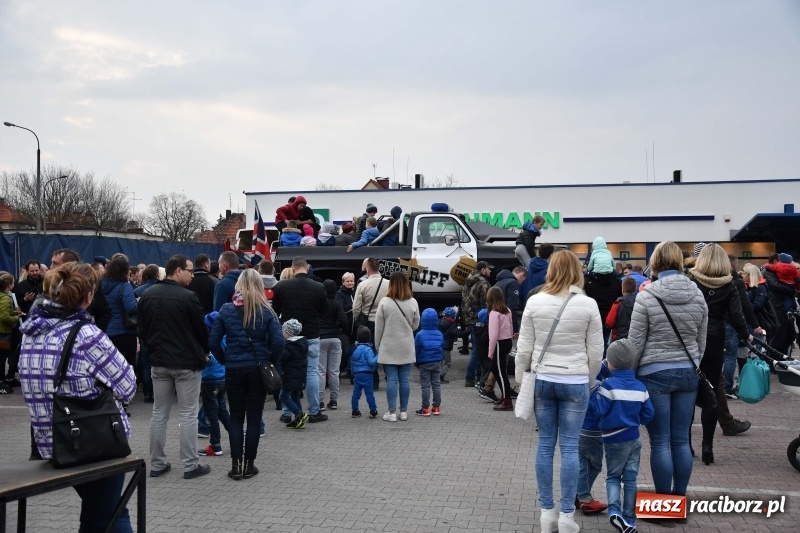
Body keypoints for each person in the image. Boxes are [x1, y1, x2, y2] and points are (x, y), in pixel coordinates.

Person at [19, 262, 136, 533]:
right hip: (93, 441)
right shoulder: (87, 336)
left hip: (51, 441)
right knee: (107, 515)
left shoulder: (30, 334)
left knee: (107, 510)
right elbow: (128, 386)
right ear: (88, 296)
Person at [515, 250, 603, 533]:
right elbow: (596, 352)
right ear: (577, 271)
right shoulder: (589, 305)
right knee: (569, 448)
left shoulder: (534, 301)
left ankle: (546, 514)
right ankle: (567, 516)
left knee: (544, 446)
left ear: (551, 270)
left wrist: (521, 382)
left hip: (543, 379)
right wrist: (588, 379)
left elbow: (524, 349)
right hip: (575, 380)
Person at [627, 241, 707, 505]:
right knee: (681, 440)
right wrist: (692, 361)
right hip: (688, 372)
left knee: (660, 442)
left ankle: (664, 507)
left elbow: (635, 343)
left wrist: (631, 374)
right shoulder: (698, 294)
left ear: (656, 261)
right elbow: (701, 340)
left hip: (654, 373)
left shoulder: (647, 296)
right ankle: (679, 499)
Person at [138, 254, 211, 480]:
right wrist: (204, 354)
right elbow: (202, 331)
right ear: (177, 270)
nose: (192, 275)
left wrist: (152, 350)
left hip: (159, 362)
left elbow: (141, 330)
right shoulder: (189, 297)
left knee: (159, 413)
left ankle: (157, 463)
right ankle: (190, 465)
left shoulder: (147, 295)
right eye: (189, 271)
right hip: (186, 363)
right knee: (188, 413)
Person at [209, 269, 285, 479]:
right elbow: (279, 341)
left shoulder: (226, 309)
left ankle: (235, 465)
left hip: (234, 368)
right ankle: (250, 465)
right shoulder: (266, 310)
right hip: (257, 368)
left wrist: (225, 358)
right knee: (253, 418)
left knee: (235, 417)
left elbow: (213, 341)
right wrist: (270, 358)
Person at [687, 243, 752, 465]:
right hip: (715, 339)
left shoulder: (691, 282)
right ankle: (708, 445)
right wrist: (747, 335)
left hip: (692, 339)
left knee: (687, 393)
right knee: (711, 394)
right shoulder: (730, 284)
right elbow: (736, 315)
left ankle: (686, 444)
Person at [588, 339, 654, 533]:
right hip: (633, 437)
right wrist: (636, 418)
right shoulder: (641, 387)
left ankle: (614, 511)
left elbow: (598, 410)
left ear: (611, 363)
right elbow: (649, 414)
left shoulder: (608, 387)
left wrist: (589, 398)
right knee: (631, 479)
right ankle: (629, 518)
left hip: (613, 438)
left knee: (613, 476)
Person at [272, 257, 329, 422]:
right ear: (307, 267)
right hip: (311, 335)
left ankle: (287, 412)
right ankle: (314, 411)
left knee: (288, 372)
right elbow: (323, 311)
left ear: (292, 268)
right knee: (312, 372)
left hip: (289, 338)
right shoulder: (318, 287)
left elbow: (276, 311)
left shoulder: (281, 286)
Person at [375, 272, 420, 422]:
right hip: (406, 344)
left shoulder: (384, 302)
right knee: (405, 379)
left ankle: (391, 412)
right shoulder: (413, 302)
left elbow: (378, 328)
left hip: (388, 345)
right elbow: (415, 324)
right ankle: (404, 411)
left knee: (392, 380)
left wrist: (377, 345)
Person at [198, 312, 230, 457]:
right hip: (223, 379)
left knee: (211, 415)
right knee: (222, 412)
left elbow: (209, 359)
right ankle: (237, 437)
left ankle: (215, 446)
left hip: (210, 381)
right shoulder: (227, 337)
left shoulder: (211, 340)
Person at [101, 254, 138, 374]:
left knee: (108, 368)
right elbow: (131, 308)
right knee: (125, 368)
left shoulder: (100, 285)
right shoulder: (125, 286)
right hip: (124, 332)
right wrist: (142, 303)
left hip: (105, 330)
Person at [462, 261, 492, 387]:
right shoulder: (483, 283)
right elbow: (486, 304)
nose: (490, 271)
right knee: (477, 350)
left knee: (477, 348)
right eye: (488, 269)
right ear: (483, 270)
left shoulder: (468, 282)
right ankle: (470, 378)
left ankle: (478, 375)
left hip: (469, 318)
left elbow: (464, 301)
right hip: (480, 319)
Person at [319, 279, 348, 410]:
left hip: (320, 338)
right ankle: (334, 400)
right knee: (334, 371)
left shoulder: (318, 303)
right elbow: (344, 321)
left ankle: (319, 401)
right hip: (335, 338)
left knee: (320, 371)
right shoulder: (336, 304)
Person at [486, 287, 514, 411]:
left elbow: (493, 335)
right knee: (496, 369)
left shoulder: (494, 313)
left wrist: (490, 351)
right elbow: (512, 327)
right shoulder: (507, 310)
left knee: (501, 372)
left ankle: (507, 399)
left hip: (499, 343)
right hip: (507, 340)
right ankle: (504, 396)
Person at [279, 319, 310, 429]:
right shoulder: (302, 343)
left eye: (283, 332)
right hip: (300, 375)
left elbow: (282, 357)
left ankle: (298, 413)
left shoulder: (289, 346)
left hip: (290, 375)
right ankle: (299, 420)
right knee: (295, 396)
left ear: (288, 333)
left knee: (283, 396)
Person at [414, 308, 444, 416]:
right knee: (436, 384)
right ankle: (436, 407)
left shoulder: (419, 334)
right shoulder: (439, 334)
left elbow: (416, 349)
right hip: (437, 362)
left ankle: (425, 408)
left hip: (424, 362)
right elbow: (442, 348)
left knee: (425, 385)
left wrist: (416, 362)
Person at [0, 272, 22, 393]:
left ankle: (2, 379)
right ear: (9, 285)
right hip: (3, 332)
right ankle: (1, 381)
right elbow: (4, 317)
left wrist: (14, 313)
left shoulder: (3, 297)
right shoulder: (5, 298)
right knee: (1, 359)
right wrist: (16, 318)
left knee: (2, 358)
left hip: (2, 331)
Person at [350, 326, 379, 418]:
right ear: (369, 338)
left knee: (356, 394)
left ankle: (355, 411)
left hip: (357, 374)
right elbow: (372, 361)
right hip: (367, 374)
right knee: (369, 393)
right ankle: (373, 410)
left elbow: (352, 362)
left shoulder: (354, 349)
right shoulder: (368, 349)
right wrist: (378, 355)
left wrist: (353, 373)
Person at [336, 272, 356, 376]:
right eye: (348, 281)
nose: (350, 283)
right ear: (343, 282)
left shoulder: (355, 292)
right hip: (345, 327)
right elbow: (341, 308)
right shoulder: (339, 294)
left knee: (353, 350)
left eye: (352, 281)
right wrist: (354, 306)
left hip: (354, 326)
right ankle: (340, 369)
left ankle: (350, 370)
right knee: (345, 350)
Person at [605, 276, 637, 341]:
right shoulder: (639, 301)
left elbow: (609, 322)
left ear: (623, 289)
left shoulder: (618, 303)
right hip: (634, 337)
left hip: (619, 337)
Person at [438, 306, 460, 383]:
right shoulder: (452, 325)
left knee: (439, 361)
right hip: (447, 347)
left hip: (439, 345)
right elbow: (457, 333)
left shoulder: (440, 322)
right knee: (447, 363)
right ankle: (441, 376)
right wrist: (468, 332)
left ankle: (436, 376)